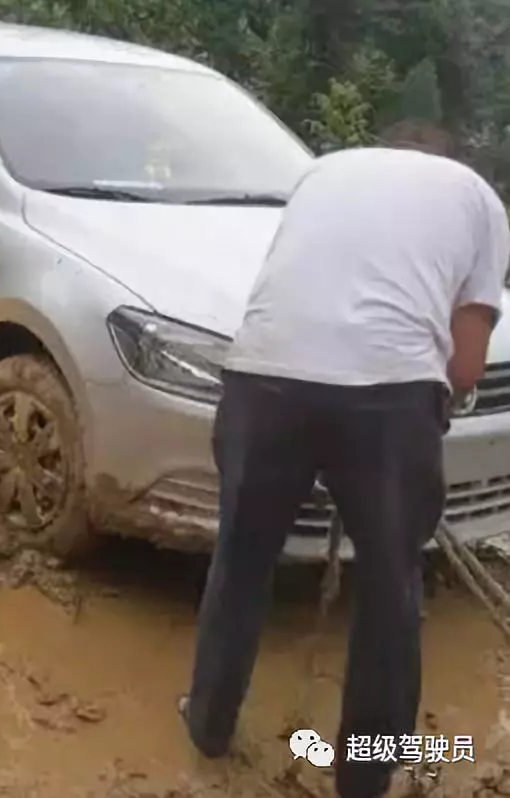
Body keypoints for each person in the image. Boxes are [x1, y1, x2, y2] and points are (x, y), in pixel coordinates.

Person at [179, 141, 509, 798]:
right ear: (448, 155)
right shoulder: (479, 199)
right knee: (390, 591)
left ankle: (208, 726)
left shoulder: (321, 172)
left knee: (240, 563)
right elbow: (467, 366)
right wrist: (427, 410)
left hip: (261, 378)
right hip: (386, 398)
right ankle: (365, 775)